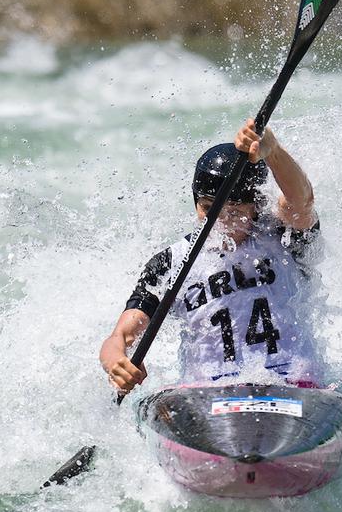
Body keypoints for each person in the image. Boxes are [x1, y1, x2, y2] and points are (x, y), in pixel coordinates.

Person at [99, 118, 323, 395]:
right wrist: (117, 363)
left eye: (235, 209)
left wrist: (273, 151)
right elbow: (120, 336)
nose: (221, 220)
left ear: (257, 204)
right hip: (205, 395)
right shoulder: (170, 263)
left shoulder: (283, 238)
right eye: (209, 208)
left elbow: (302, 202)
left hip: (295, 387)